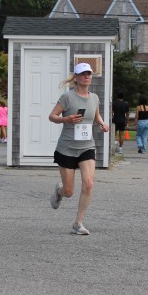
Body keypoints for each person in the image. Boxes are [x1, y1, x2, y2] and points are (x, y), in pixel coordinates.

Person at [47, 62, 109, 235]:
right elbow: (52, 116)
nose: (86, 76)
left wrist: (102, 123)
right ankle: (59, 191)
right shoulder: (68, 97)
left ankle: (78, 223)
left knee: (88, 184)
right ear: (76, 78)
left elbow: (96, 115)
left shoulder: (94, 98)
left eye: (89, 73)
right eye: (82, 74)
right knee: (69, 192)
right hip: (66, 148)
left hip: (86, 146)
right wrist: (65, 119)